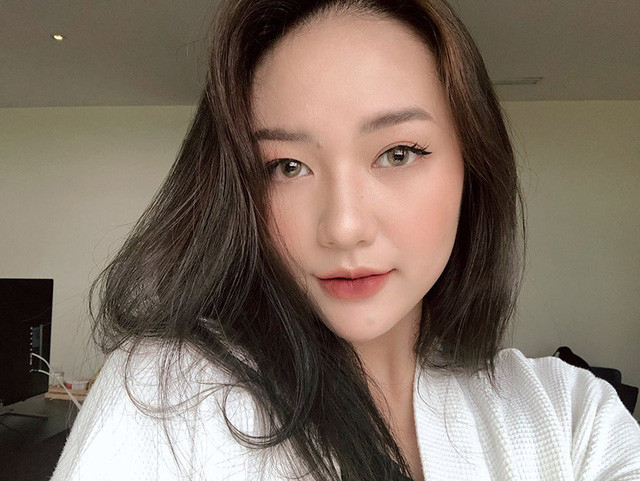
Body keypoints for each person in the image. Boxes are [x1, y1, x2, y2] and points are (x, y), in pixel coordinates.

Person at [51, 0, 640, 480]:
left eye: (398, 153)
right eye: (286, 166)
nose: (343, 226)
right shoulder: (165, 396)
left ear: (473, 165)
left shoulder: (568, 413)